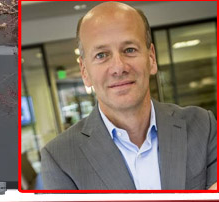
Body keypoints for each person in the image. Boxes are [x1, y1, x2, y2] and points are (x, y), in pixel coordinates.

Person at [40, 2, 217, 191]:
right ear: (84, 71)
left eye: (129, 50)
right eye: (101, 55)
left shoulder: (202, 126)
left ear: (151, 58)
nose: (118, 68)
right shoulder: (60, 158)